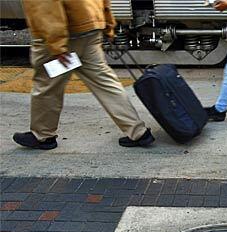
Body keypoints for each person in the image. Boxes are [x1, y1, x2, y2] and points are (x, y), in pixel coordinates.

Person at [13, 0, 154, 150]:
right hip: (89, 29)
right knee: (105, 83)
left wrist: (57, 44)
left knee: (47, 85)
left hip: (65, 36)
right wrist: (108, 23)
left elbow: (46, 6)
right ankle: (138, 132)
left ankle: (42, 136)